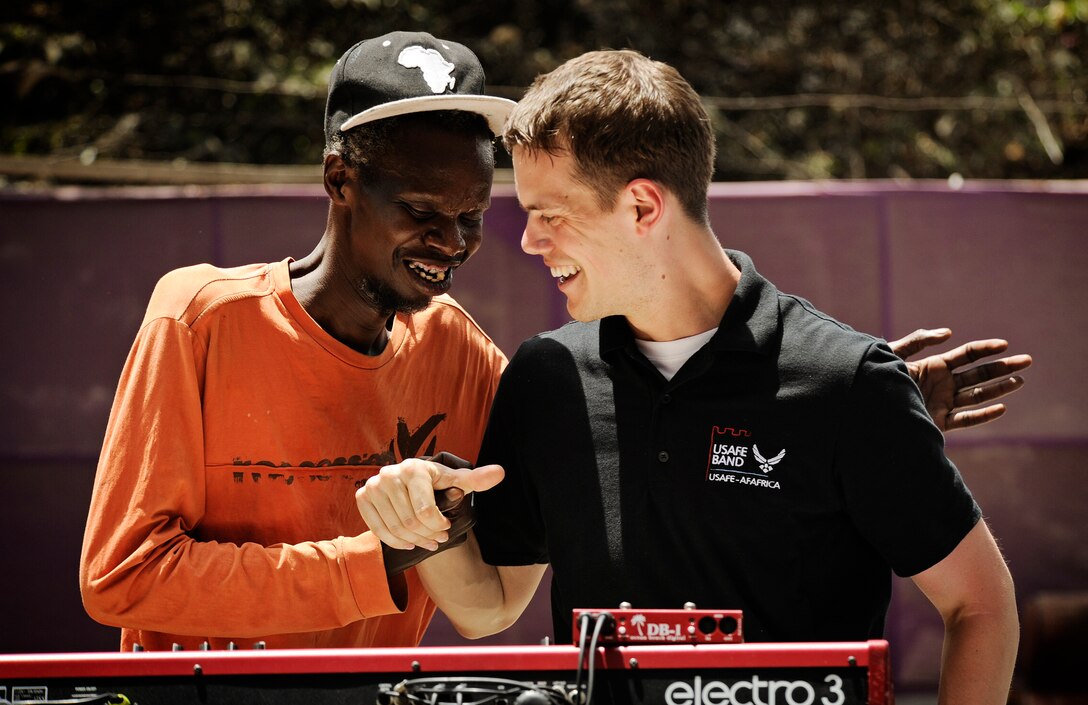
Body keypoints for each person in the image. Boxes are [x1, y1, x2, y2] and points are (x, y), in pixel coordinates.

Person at [355, 50, 1026, 704]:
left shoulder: (848, 381)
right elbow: (490, 603)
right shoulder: (547, 376)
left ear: (643, 207)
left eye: (549, 216)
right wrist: (419, 519)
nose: (529, 241)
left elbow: (981, 604)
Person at [78, 31, 516, 651]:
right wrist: (372, 561)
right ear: (340, 179)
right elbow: (121, 578)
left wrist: (451, 523)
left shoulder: (463, 352)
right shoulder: (201, 319)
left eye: (470, 216)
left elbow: (493, 594)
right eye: (421, 211)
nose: (451, 242)